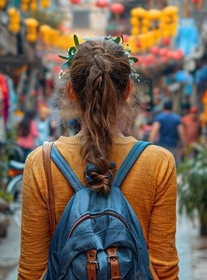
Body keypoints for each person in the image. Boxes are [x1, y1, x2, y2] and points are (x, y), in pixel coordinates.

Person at [18, 38, 179, 279]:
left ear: (71, 91)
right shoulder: (158, 163)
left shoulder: (41, 163)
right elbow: (164, 269)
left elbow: (31, 271)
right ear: (127, 91)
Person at [149, 99, 185, 165]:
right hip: (173, 148)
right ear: (172, 107)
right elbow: (181, 133)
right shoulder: (176, 119)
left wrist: (151, 145)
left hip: (162, 147)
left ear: (163, 107)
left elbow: (153, 132)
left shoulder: (159, 118)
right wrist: (183, 145)